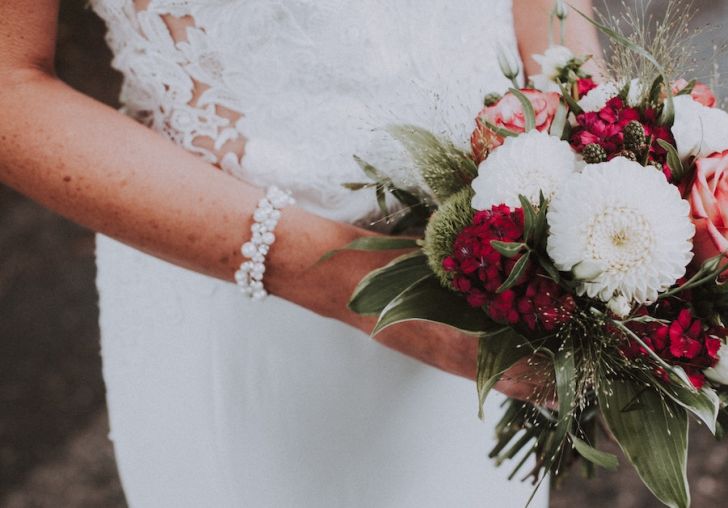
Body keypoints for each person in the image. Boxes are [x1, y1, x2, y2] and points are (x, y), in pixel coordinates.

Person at [0, 1, 602, 506]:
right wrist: (348, 282)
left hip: (496, 272)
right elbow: (11, 85)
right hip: (247, 300)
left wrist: (598, 137)